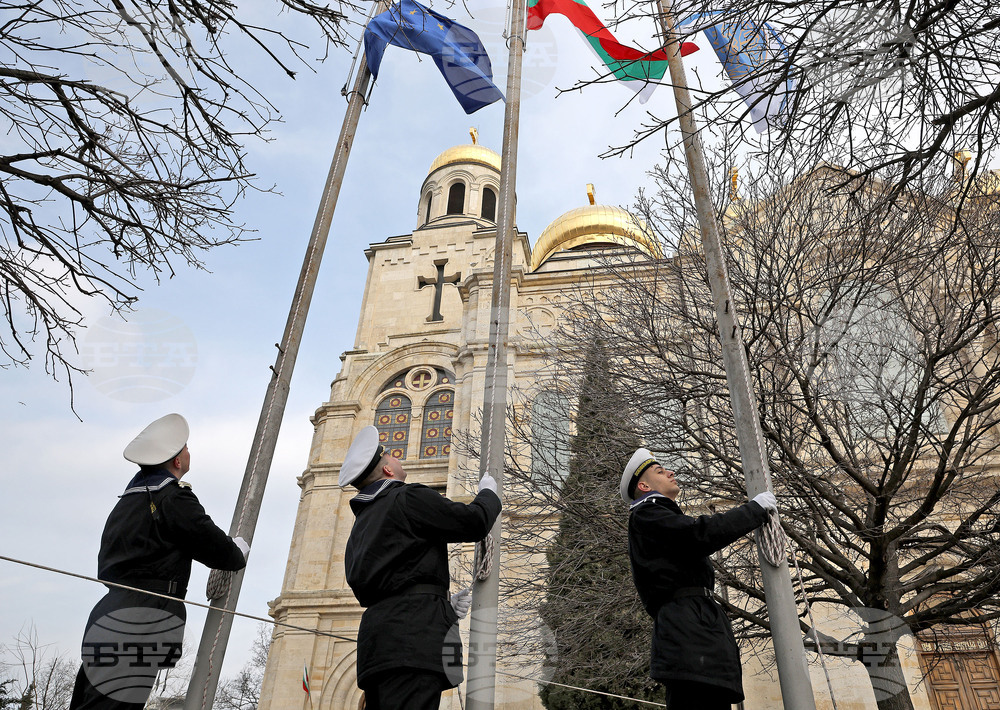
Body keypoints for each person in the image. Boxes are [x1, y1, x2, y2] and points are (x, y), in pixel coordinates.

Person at [70, 413, 250, 710]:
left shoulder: (126, 502)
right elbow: (219, 550)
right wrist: (236, 549)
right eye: (186, 448)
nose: (189, 452)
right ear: (177, 462)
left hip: (108, 613)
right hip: (142, 619)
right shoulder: (172, 499)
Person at [340, 425, 502, 710]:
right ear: (388, 470)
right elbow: (472, 522)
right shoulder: (406, 497)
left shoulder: (360, 525)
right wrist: (489, 495)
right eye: (391, 456)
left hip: (378, 645)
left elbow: (387, 583)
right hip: (412, 641)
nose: (397, 459)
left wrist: (442, 607)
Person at [620, 447, 777, 710]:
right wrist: (754, 510)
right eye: (660, 471)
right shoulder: (647, 514)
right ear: (644, 485)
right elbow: (699, 534)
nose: (670, 472)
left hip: (695, 631)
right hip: (689, 635)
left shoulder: (661, 516)